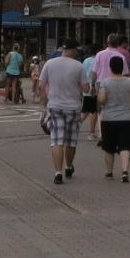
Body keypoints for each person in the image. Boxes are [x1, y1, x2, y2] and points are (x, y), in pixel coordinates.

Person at [40, 44, 86, 185]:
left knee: (56, 140)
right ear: (72, 50)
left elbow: (41, 85)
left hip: (55, 106)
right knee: (71, 140)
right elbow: (86, 88)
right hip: (73, 107)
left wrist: (46, 102)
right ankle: (68, 167)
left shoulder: (49, 63)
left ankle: (58, 173)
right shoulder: (79, 66)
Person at [96, 57, 130, 181]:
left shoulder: (105, 82)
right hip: (126, 118)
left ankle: (109, 172)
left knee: (108, 147)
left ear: (110, 68)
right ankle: (125, 171)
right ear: (122, 68)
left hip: (108, 119)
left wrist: (99, 97)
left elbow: (102, 100)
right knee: (125, 145)